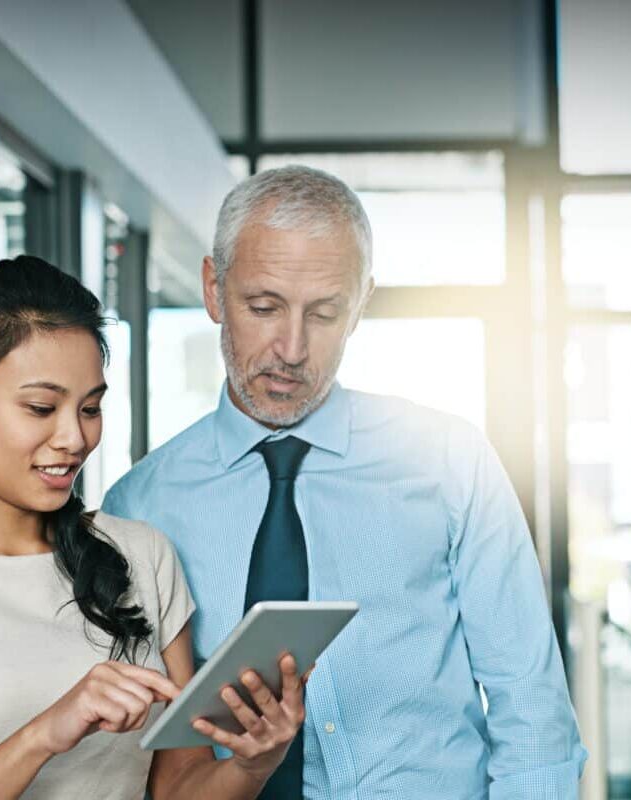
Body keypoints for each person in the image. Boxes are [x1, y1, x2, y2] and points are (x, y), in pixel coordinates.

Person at [103, 165, 588, 799]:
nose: (292, 348)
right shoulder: (140, 504)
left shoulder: (449, 462)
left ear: (359, 305)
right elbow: (140, 749)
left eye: (324, 312)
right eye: (264, 306)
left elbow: (532, 710)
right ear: (214, 290)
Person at [0, 255, 307, 800]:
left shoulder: (142, 557)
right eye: (41, 407)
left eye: (90, 408)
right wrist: (44, 735)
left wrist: (253, 764)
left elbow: (179, 787)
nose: (74, 438)